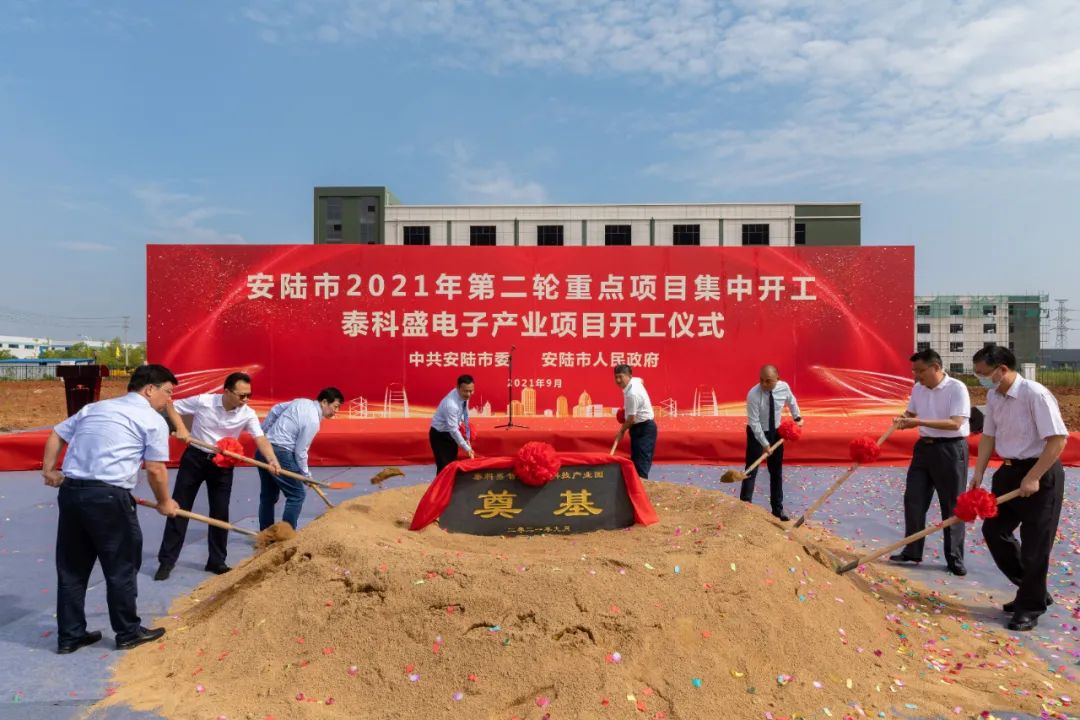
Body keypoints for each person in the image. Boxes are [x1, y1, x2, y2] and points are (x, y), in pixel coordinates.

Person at [41, 364, 180, 653]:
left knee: (72, 568)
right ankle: (128, 632)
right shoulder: (152, 420)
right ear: (149, 389)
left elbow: (57, 433)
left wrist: (49, 469)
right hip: (108, 499)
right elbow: (155, 469)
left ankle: (70, 635)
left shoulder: (95, 408)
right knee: (121, 566)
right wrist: (165, 502)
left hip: (72, 493)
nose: (169, 400)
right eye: (167, 392)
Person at [970, 345, 1068, 631]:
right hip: (1009, 471)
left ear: (1002, 369)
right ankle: (1032, 588)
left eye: (983, 373)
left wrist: (1034, 476)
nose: (980, 379)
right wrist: (978, 472)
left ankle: (1030, 606)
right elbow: (988, 436)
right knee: (994, 530)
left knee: (1035, 544)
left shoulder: (1034, 394)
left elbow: (1058, 440)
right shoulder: (993, 396)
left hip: (1040, 473)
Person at [154, 372, 280, 581]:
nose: (246, 400)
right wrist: (182, 428)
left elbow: (260, 438)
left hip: (223, 464)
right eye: (242, 395)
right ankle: (166, 562)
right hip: (195, 458)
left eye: (249, 395)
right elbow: (171, 405)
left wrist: (272, 459)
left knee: (220, 513)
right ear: (227, 391)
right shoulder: (204, 401)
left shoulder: (247, 413)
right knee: (179, 509)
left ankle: (216, 561)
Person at [890, 348, 971, 575]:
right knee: (913, 499)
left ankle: (954, 557)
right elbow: (911, 412)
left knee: (952, 504)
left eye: (920, 371)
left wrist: (918, 422)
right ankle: (912, 549)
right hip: (924, 449)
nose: (917, 376)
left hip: (950, 449)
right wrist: (903, 419)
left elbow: (955, 423)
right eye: (914, 371)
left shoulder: (957, 388)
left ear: (935, 367)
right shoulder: (918, 388)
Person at [257, 387, 344, 530]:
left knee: (268, 495)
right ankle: (286, 534)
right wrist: (306, 475)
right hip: (280, 453)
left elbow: (275, 410)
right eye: (335, 406)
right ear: (324, 402)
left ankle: (266, 533)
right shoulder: (313, 421)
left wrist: (263, 434)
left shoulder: (301, 401)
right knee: (297, 494)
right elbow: (300, 452)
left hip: (263, 450)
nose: (336, 411)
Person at [739, 364, 802, 521]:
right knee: (751, 470)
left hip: (776, 432)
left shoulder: (783, 387)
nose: (764, 384)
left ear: (777, 379)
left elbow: (792, 401)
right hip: (757, 433)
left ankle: (777, 509)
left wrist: (797, 417)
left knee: (776, 472)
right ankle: (744, 506)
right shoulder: (753, 395)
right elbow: (754, 423)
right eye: (761, 380)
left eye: (768, 381)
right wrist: (764, 444)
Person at [612, 364, 657, 479]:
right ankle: (637, 485)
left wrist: (621, 431)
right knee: (636, 461)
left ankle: (642, 486)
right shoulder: (635, 381)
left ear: (629, 376)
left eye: (621, 377)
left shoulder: (632, 394)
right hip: (637, 427)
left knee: (641, 464)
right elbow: (641, 380)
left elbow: (631, 419)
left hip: (645, 429)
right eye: (616, 377)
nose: (618, 380)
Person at [430, 374, 476, 473]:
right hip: (440, 436)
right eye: (466, 391)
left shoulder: (464, 396)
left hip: (451, 433)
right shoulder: (451, 405)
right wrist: (467, 448)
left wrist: (466, 430)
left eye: (471, 391)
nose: (468, 394)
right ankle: (441, 483)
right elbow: (453, 430)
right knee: (444, 468)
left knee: (451, 465)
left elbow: (463, 412)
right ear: (458, 387)